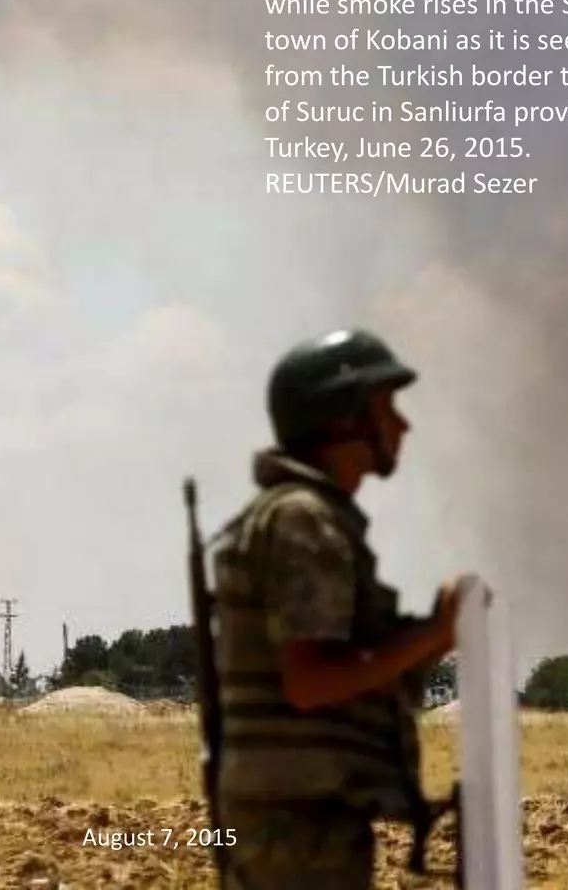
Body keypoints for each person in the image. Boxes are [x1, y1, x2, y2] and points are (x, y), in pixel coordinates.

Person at [208, 327, 465, 889]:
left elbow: (355, 678)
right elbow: (312, 681)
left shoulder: (305, 515)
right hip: (296, 833)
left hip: (298, 824)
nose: (402, 425)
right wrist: (434, 633)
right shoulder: (304, 520)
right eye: (386, 408)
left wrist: (432, 640)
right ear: (344, 419)